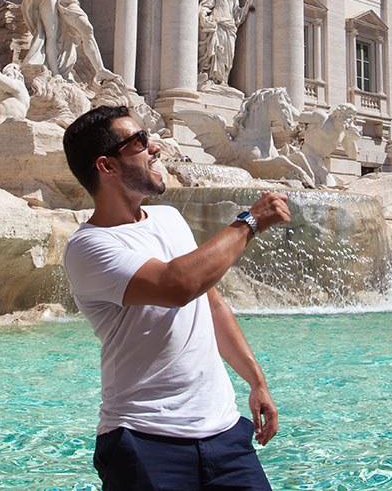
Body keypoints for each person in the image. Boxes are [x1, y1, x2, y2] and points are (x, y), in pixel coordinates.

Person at [61, 105, 290, 490]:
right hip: (143, 439)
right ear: (107, 166)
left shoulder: (169, 218)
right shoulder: (88, 248)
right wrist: (249, 222)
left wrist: (256, 381)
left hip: (225, 433)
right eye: (139, 142)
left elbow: (211, 302)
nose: (156, 149)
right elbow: (176, 286)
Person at [197, 0, 253, 87]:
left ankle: (223, 80)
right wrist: (203, 15)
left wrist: (248, 3)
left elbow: (238, 15)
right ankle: (212, 77)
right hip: (217, 24)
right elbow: (206, 5)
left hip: (230, 27)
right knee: (217, 52)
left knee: (228, 55)